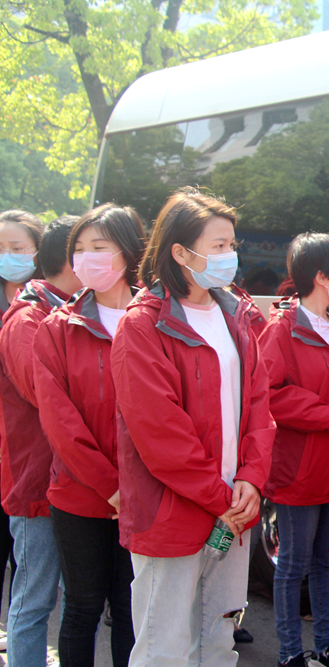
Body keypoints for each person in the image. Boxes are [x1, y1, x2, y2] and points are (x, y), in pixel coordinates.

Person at [110, 188, 275, 667]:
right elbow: (160, 434)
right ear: (180, 252)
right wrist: (222, 499)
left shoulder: (235, 315)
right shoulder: (142, 325)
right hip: (173, 514)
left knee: (218, 642)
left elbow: (259, 406)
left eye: (231, 244)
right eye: (218, 246)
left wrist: (251, 479)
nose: (230, 256)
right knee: (164, 649)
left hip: (233, 510)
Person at [33, 205, 146, 667]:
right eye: (79, 249)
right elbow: (59, 421)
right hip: (79, 494)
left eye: (99, 247)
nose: (85, 258)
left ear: (129, 252)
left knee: (131, 610)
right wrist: (110, 486)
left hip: (145, 494)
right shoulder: (58, 327)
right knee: (81, 607)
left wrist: (137, 486)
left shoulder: (158, 320)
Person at [259, 233, 329, 667]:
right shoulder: (282, 329)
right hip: (298, 470)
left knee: (328, 564)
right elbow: (269, 394)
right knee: (292, 565)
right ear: (320, 277)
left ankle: (327, 644)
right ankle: (289, 652)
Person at [0, 214, 82, 666]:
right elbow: (43, 394)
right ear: (71, 257)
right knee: (34, 600)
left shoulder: (74, 308)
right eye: (91, 249)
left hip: (72, 478)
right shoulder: (28, 317)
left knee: (75, 599)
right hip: (37, 481)